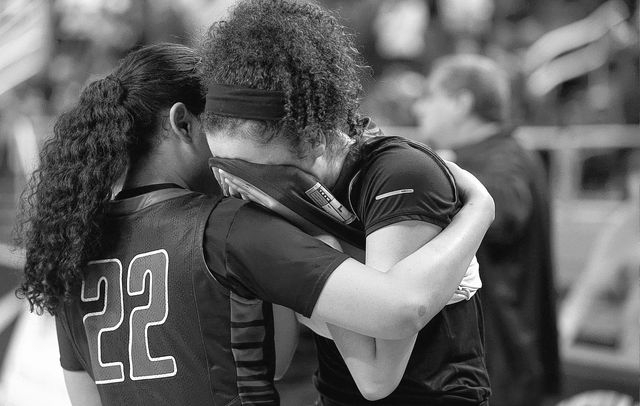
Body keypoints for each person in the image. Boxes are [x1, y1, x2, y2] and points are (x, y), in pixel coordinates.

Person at [17, 44, 494, 405]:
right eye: (225, 124)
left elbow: (85, 396)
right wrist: (476, 210)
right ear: (184, 122)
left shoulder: (73, 245)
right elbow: (387, 329)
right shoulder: (229, 227)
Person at [200, 1, 491, 404]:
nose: (238, 186)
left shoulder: (400, 174)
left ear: (316, 138)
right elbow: (278, 361)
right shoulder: (282, 205)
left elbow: (376, 376)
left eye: (253, 171)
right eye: (225, 168)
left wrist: (318, 246)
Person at [413, 54, 561, 406]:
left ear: (462, 102)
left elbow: (504, 211)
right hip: (505, 361)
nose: (420, 109)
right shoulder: (504, 154)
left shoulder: (500, 160)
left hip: (503, 364)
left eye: (430, 96)